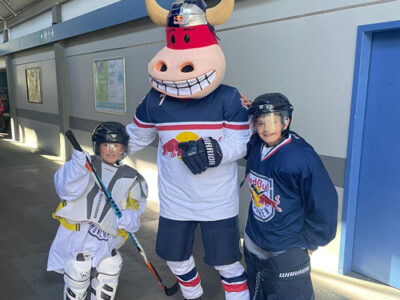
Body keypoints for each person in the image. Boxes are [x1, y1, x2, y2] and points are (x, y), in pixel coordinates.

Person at [125, 1, 251, 300]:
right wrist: (109, 147)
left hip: (217, 201)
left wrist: (211, 151)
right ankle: (192, 294)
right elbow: (136, 137)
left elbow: (240, 144)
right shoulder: (154, 100)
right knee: (174, 257)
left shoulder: (229, 98)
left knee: (228, 264)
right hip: (175, 199)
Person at [243, 93, 338, 300]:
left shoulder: (300, 156)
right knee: (256, 293)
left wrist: (311, 240)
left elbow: (324, 202)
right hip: (255, 238)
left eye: (272, 121)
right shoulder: (256, 144)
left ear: (286, 121)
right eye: (260, 122)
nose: (266, 128)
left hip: (286, 247)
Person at [47, 122, 148, 300]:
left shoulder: (134, 178)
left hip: (107, 235)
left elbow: (137, 206)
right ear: (97, 147)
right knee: (78, 268)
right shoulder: (84, 166)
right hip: (78, 233)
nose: (111, 150)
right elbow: (66, 189)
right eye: (105, 145)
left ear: (123, 148)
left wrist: (129, 218)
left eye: (116, 145)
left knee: (111, 265)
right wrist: (76, 167)